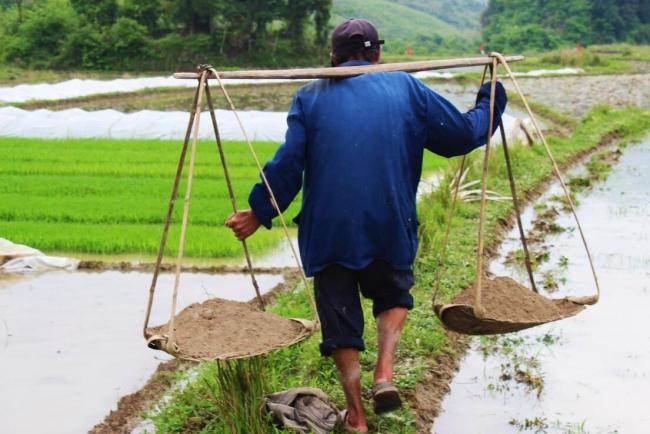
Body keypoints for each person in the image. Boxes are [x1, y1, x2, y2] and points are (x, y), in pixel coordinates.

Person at [226, 18, 507, 434]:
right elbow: (463, 135)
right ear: (377, 55)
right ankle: (384, 374)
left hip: (330, 231)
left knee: (340, 322)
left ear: (331, 58)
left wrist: (258, 212)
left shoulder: (310, 97)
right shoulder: (407, 88)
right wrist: (492, 94)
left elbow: (287, 167)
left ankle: (356, 417)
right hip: (389, 222)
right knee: (393, 293)